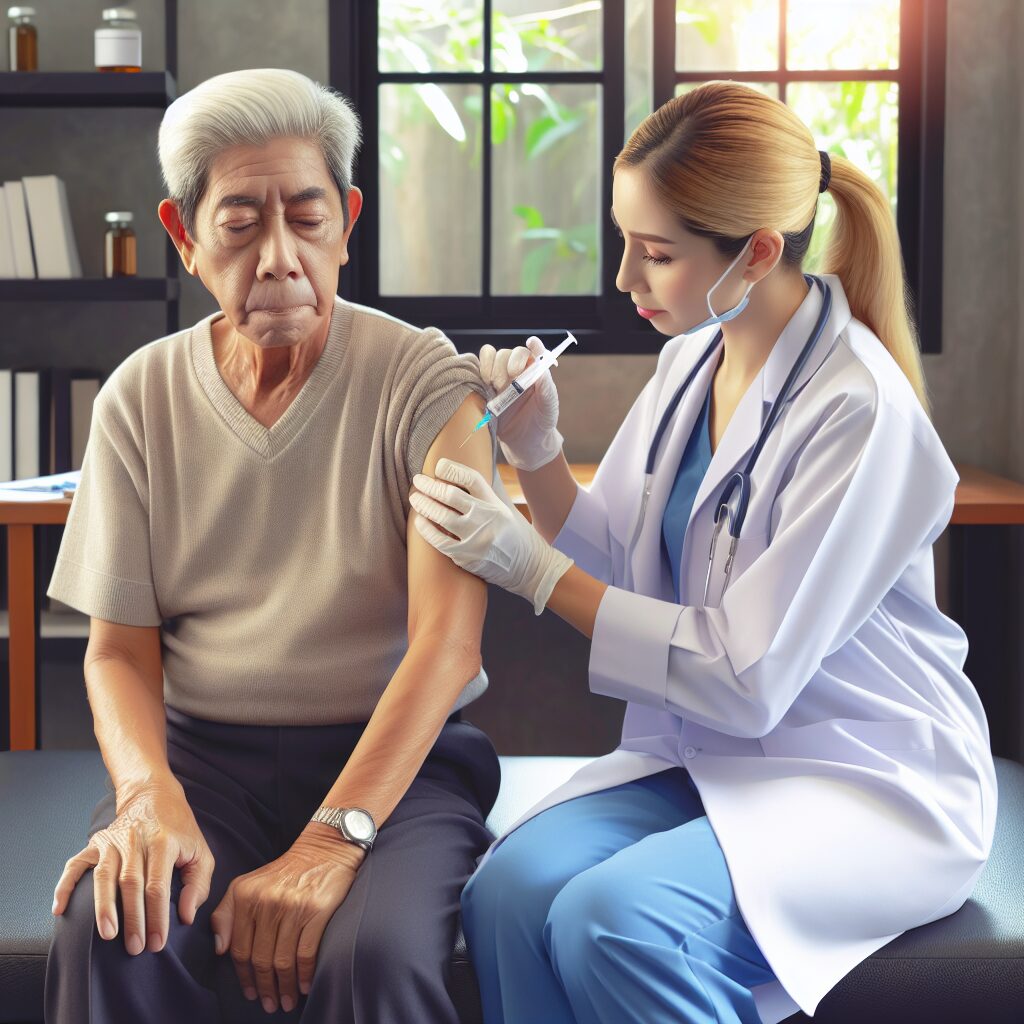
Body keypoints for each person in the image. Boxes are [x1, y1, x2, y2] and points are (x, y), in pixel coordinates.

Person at [410, 82, 997, 1024]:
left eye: (656, 254)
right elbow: (618, 558)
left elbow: (744, 675)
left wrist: (533, 572)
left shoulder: (859, 411)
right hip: (712, 759)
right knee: (507, 895)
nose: (624, 279)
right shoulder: (692, 359)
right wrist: (537, 452)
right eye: (624, 243)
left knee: (616, 923)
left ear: (757, 252)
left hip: (861, 778)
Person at [44, 68, 499, 1024]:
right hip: (203, 765)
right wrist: (146, 794)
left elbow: (448, 646)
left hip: (399, 767)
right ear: (184, 237)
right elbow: (118, 651)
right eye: (241, 224)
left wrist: (332, 839)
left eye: (308, 217)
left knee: (373, 959)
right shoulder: (139, 396)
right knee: (112, 929)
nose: (280, 258)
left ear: (348, 222)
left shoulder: (427, 382)